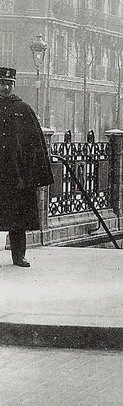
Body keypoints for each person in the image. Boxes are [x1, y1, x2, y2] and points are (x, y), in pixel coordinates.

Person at [0, 66, 54, 267]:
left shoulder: (23, 110)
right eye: (2, 83)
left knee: (17, 218)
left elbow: (36, 143)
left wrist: (34, 173)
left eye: (9, 84)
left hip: (16, 175)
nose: (5, 88)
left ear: (13, 85)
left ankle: (18, 256)